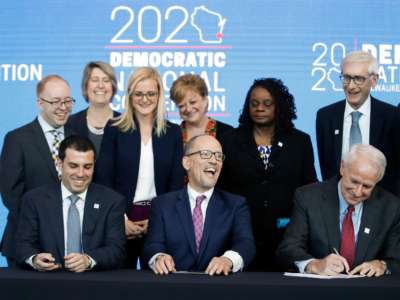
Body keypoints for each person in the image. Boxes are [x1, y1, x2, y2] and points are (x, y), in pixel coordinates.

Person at [218, 78, 317, 271]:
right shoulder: (230, 140)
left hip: (287, 237)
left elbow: (309, 188)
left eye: (267, 104)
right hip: (240, 236)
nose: (259, 108)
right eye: (254, 104)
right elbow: (222, 190)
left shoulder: (300, 141)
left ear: (279, 106)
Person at [95, 67, 184, 268]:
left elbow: (176, 185)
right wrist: (120, 219)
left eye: (151, 93)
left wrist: (158, 221)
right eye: (139, 94)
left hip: (159, 221)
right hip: (120, 220)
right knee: (117, 284)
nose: (145, 99)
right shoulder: (114, 128)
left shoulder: (173, 133)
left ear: (159, 95)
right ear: (130, 96)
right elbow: (104, 179)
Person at [276, 144, 400, 277]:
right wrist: (314, 264)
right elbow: (288, 249)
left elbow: (396, 259)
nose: (358, 192)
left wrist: (382, 265)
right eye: (354, 181)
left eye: (367, 186)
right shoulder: (308, 197)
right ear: (342, 168)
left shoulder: (391, 207)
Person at [143, 134, 255, 275]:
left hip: (219, 288)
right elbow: (153, 244)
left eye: (219, 156)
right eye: (206, 154)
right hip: (173, 288)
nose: (214, 160)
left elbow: (245, 243)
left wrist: (228, 260)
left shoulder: (236, 205)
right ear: (187, 162)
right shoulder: (162, 204)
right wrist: (159, 257)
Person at [15, 135, 126, 272]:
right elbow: (22, 244)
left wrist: (88, 260)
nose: (80, 174)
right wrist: (34, 259)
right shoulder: (34, 200)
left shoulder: (112, 201)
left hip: (94, 282)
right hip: (48, 282)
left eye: (87, 167)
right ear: (59, 164)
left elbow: (117, 249)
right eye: (73, 166)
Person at [0, 75, 75, 267]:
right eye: (56, 101)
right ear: (40, 102)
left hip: (72, 246)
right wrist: (45, 226)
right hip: (27, 244)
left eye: (67, 101)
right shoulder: (17, 139)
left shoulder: (78, 136)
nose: (63, 107)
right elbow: (11, 193)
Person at [316, 50, 400, 197]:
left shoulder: (393, 116)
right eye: (346, 78)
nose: (351, 86)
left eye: (358, 79)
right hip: (336, 204)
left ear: (373, 80)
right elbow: (326, 168)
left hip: (382, 204)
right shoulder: (325, 116)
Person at [67, 61, 120, 155]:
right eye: (95, 80)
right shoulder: (70, 124)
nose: (100, 85)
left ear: (113, 87)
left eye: (106, 80)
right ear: (86, 85)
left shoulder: (126, 124)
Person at [169, 74, 233, 145]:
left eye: (193, 102)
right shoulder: (172, 135)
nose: (188, 109)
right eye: (181, 106)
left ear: (205, 100)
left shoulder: (228, 133)